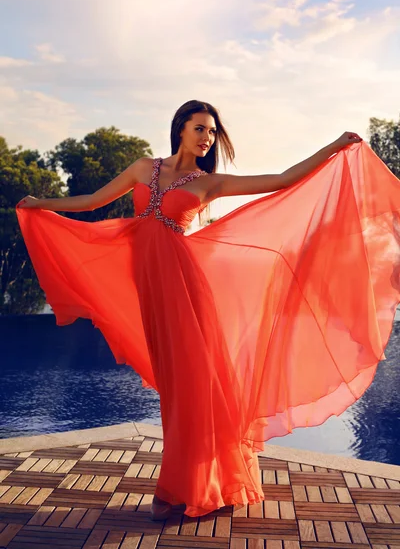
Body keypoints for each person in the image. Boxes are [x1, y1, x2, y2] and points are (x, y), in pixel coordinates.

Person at [16, 100, 400, 521]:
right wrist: (41, 203)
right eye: (200, 128)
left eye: (212, 132)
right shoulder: (144, 168)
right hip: (152, 292)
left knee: (192, 389)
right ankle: (206, 480)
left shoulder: (209, 183)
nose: (207, 138)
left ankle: (182, 488)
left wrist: (332, 147)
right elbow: (92, 201)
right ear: (180, 128)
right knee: (178, 389)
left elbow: (281, 179)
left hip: (186, 291)